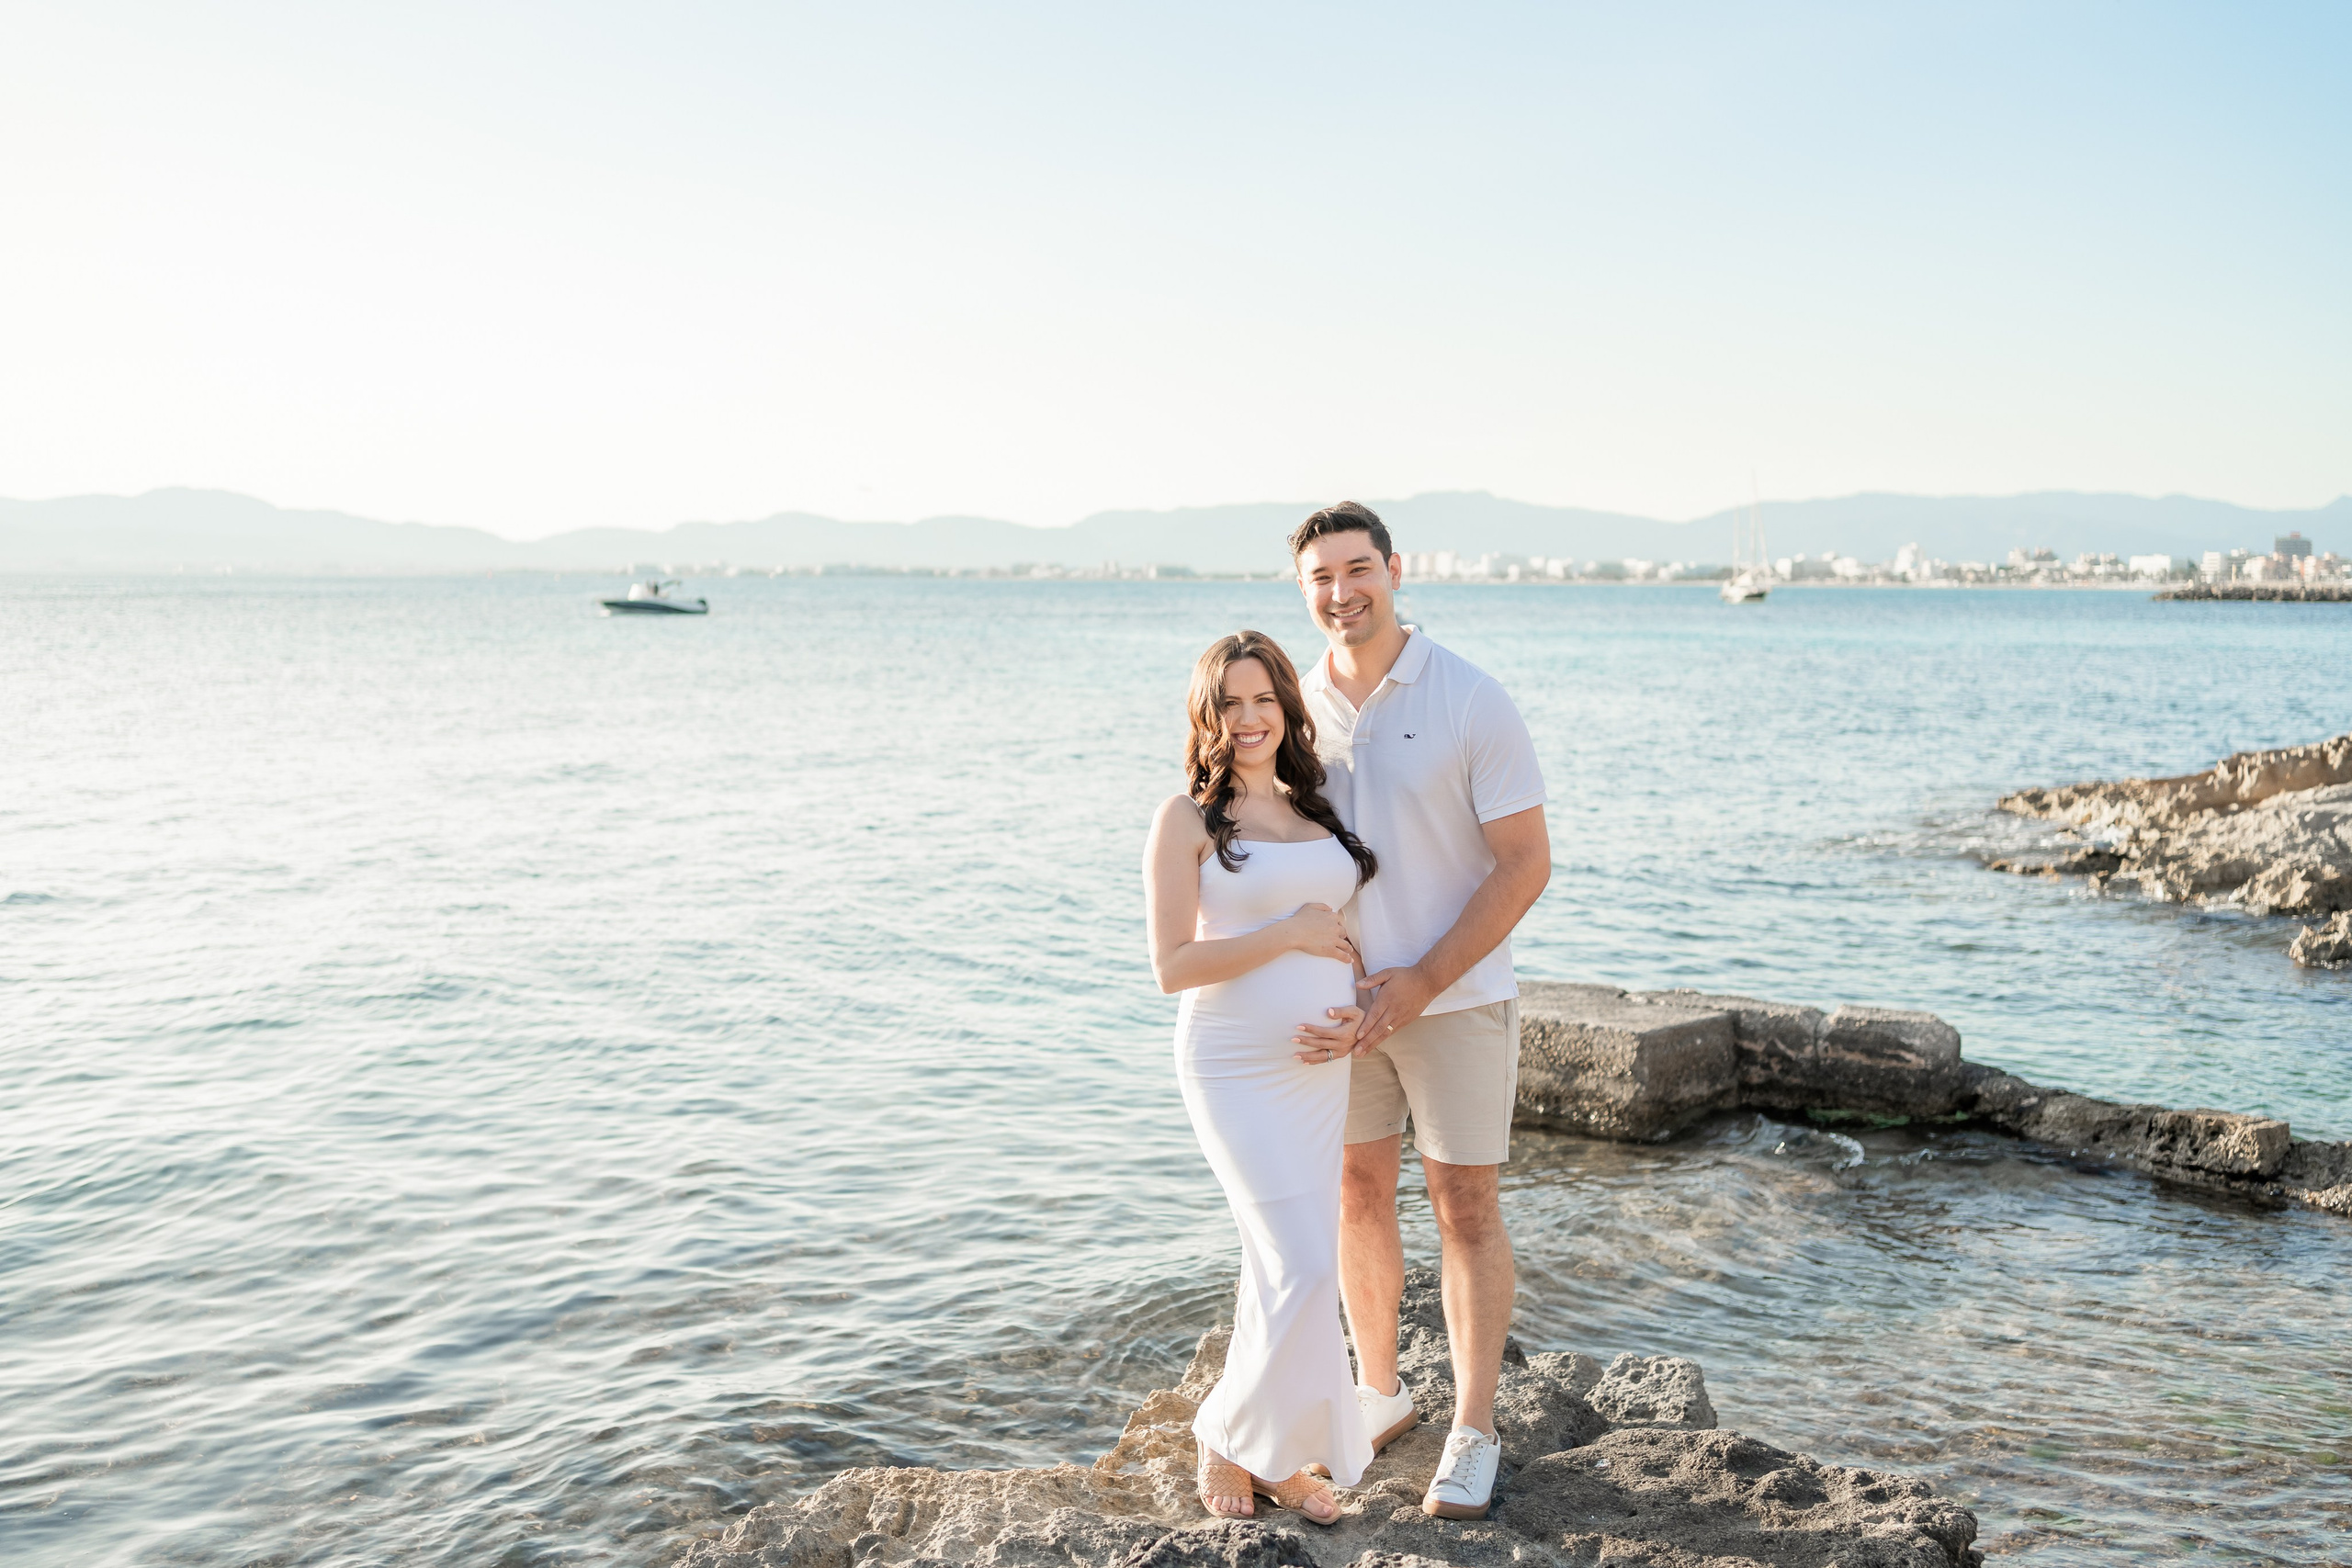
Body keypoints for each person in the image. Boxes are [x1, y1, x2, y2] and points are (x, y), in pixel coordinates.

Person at [1286, 501, 1551, 1521]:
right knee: (1355, 1194)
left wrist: (1423, 980)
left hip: (1455, 999)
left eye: (1358, 569)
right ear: (1303, 590)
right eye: (1320, 577)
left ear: (1394, 570)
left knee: (1465, 1208)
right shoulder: (1295, 705)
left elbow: (1525, 865)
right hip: (1338, 1008)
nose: (1341, 592)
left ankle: (1474, 1429)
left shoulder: (1468, 697)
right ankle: (1378, 1392)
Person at [1143, 630, 1383, 1524]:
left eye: (1264, 701)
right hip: (1232, 1065)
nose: (1248, 720)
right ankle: (1225, 1434)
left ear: (1287, 707)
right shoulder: (1186, 820)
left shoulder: (1320, 811)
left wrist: (1360, 1008)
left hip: (1317, 1067)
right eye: (1230, 704)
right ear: (1208, 715)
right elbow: (1171, 965)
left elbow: (1354, 933)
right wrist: (1287, 934)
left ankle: (1274, 1453)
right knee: (1305, 1264)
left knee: (1271, 1266)